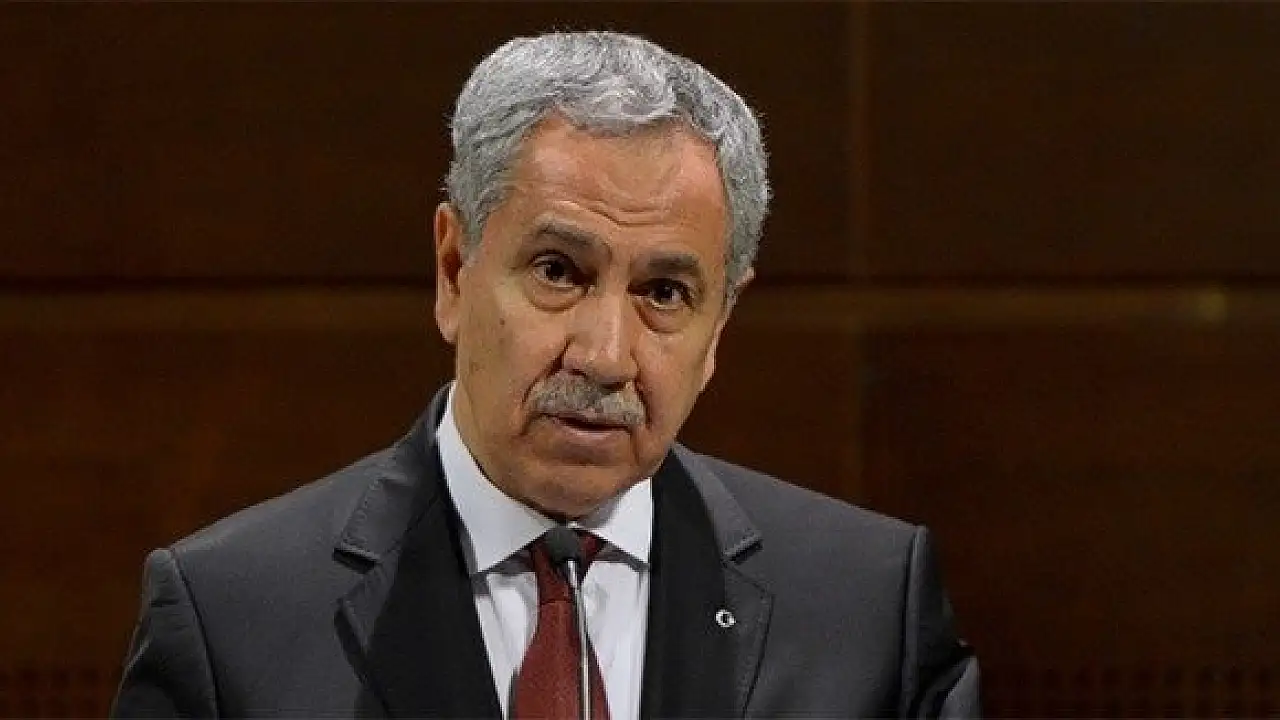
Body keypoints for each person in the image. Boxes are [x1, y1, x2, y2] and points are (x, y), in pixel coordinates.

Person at [112, 30, 979, 718]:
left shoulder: (868, 612)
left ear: (720, 323)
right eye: (559, 271)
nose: (603, 355)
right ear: (454, 270)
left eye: (664, 293)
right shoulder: (232, 620)